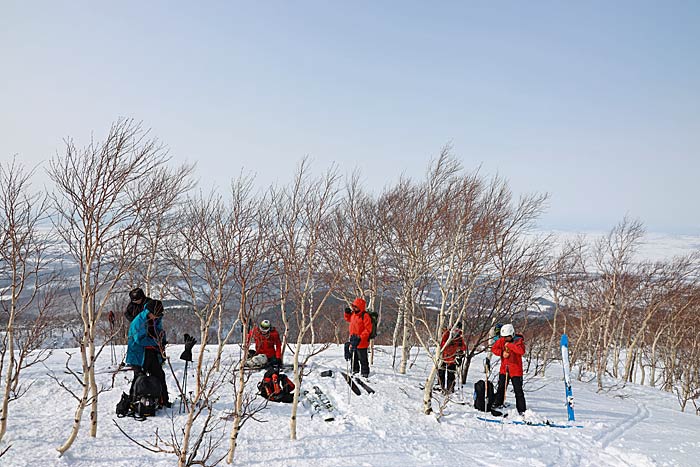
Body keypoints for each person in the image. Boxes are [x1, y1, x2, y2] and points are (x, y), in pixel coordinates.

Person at [125, 298, 171, 408]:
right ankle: (133, 401)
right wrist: (156, 342)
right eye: (156, 314)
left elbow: (159, 331)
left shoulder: (156, 319)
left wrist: (162, 339)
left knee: (159, 375)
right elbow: (140, 340)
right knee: (139, 378)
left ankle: (163, 400)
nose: (158, 316)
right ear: (149, 312)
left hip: (151, 352)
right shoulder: (138, 321)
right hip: (138, 354)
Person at [491, 323, 526, 415]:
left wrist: (510, 346)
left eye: (507, 337)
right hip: (504, 369)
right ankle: (498, 404)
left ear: (512, 335)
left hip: (516, 370)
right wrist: (502, 353)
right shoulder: (502, 340)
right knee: (501, 388)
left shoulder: (519, 341)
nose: (505, 339)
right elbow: (494, 349)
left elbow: (521, 351)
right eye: (504, 337)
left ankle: (522, 409)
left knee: (518, 390)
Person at [344, 297, 372, 378]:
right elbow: (348, 319)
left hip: (362, 341)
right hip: (353, 339)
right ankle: (355, 370)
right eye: (353, 306)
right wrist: (347, 313)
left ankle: (365, 373)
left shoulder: (365, 316)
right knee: (354, 357)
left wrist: (360, 337)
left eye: (355, 306)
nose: (354, 308)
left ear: (360, 307)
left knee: (363, 358)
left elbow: (368, 329)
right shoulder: (353, 314)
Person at [438, 322, 466, 393]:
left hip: (452, 360)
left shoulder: (459, 337)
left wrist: (458, 349)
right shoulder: (447, 334)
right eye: (456, 328)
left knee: (451, 375)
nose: (457, 330)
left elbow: (464, 347)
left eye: (458, 328)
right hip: (443, 358)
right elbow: (442, 344)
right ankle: (441, 387)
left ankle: (450, 389)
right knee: (441, 374)